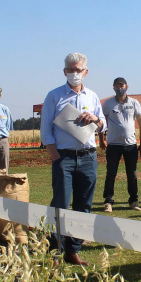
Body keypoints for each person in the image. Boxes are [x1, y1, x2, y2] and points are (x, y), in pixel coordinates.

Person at [40, 53, 106, 265]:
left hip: (88, 157)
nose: (74, 73)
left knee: (83, 205)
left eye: (78, 70)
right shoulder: (54, 96)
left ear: (86, 72)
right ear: (64, 71)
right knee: (60, 204)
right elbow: (46, 128)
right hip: (64, 158)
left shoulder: (92, 96)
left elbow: (104, 123)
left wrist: (96, 119)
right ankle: (55, 250)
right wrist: (54, 155)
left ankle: (73, 250)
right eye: (70, 69)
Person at [101, 77, 141, 212]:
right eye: (117, 86)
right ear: (113, 87)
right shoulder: (108, 103)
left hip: (131, 145)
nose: (119, 88)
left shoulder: (134, 103)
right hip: (113, 145)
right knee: (111, 173)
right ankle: (108, 201)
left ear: (127, 86)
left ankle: (133, 201)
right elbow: (102, 121)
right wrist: (101, 138)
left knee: (132, 174)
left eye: (122, 85)